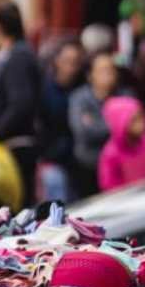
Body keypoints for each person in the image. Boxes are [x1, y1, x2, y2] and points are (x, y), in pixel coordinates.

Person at [0, 3, 42, 205]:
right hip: (9, 146)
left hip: (14, 147)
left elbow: (21, 102)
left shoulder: (18, 58)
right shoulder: (12, 54)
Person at [68, 52, 127, 197]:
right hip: (89, 167)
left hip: (120, 166)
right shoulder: (79, 98)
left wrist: (96, 124)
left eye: (111, 70)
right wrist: (115, 125)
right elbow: (83, 132)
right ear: (90, 75)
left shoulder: (125, 95)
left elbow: (130, 129)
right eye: (102, 70)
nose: (108, 74)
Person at [38, 40, 85, 202]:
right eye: (67, 61)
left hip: (78, 162)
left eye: (76, 62)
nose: (71, 67)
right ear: (57, 61)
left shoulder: (82, 89)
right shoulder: (45, 90)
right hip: (54, 160)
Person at [97, 96, 145, 192]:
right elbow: (108, 184)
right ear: (119, 123)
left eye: (142, 117)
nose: (142, 123)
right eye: (135, 120)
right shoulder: (111, 154)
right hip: (128, 200)